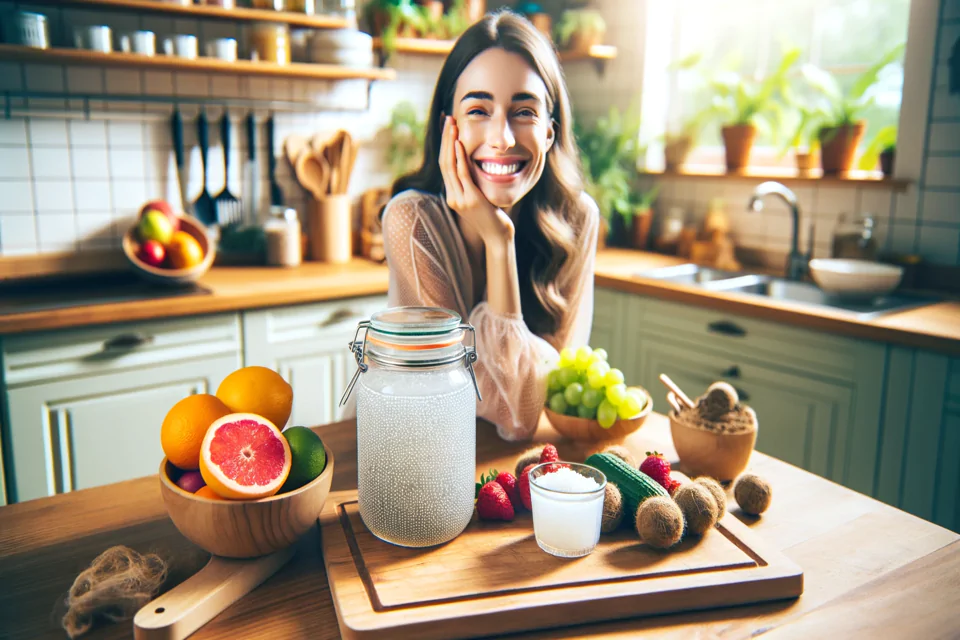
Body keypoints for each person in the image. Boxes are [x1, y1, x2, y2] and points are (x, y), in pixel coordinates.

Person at [381, 10, 599, 441]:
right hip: (417, 452)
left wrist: (499, 241)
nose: (502, 138)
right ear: (450, 127)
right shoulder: (412, 220)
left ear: (550, 134)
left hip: (518, 466)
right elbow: (505, 408)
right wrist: (499, 241)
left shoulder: (577, 219)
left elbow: (532, 405)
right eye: (479, 110)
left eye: (524, 112)